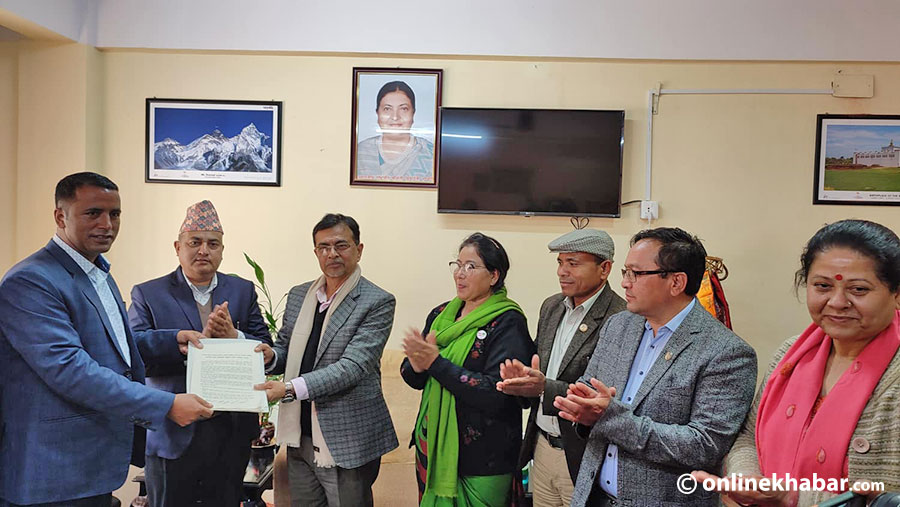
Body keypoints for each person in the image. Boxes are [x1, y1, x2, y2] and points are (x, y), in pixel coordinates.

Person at [0, 172, 213, 507]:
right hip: (53, 473)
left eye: (115, 214)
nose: (107, 224)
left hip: (89, 467)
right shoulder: (31, 281)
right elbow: (71, 369)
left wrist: (171, 342)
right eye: (93, 213)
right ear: (60, 216)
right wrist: (166, 405)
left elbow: (109, 346)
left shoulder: (96, 271)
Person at [695, 219, 900, 507]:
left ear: (896, 292)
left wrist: (791, 498)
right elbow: (749, 438)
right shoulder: (790, 354)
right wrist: (747, 480)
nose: (837, 302)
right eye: (822, 286)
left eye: (859, 290)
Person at [556, 227, 757, 507]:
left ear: (676, 282)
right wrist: (581, 407)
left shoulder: (726, 353)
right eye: (625, 272)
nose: (625, 283)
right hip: (593, 496)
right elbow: (590, 389)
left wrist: (610, 417)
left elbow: (704, 445)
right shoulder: (619, 326)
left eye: (636, 274)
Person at [127, 200, 273, 506]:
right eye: (195, 242)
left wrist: (235, 337)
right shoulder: (148, 293)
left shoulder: (241, 290)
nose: (203, 250)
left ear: (222, 250)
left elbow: (264, 346)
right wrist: (178, 341)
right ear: (178, 247)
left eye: (212, 243)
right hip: (172, 430)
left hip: (230, 432)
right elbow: (133, 349)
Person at [255, 213, 398, 507]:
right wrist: (271, 357)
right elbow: (285, 349)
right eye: (323, 247)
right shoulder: (299, 296)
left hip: (347, 437)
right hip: (298, 434)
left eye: (341, 245)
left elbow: (352, 367)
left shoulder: (377, 301)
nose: (332, 253)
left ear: (359, 249)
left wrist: (289, 389)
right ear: (316, 252)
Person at [400, 232, 536, 506]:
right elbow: (415, 378)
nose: (460, 274)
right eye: (457, 265)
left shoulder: (507, 322)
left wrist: (435, 363)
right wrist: (416, 366)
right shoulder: (441, 315)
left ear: (494, 276)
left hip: (485, 456)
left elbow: (496, 393)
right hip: (434, 448)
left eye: (471, 267)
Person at [496, 228, 626, 507]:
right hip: (542, 447)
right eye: (560, 262)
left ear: (604, 269)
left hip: (583, 455)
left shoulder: (621, 318)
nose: (562, 272)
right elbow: (539, 371)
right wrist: (522, 380)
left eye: (573, 263)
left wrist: (544, 386)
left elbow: (604, 393)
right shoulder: (552, 306)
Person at [356, 80, 435, 183]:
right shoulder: (360, 152)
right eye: (387, 109)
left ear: (413, 113)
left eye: (404, 109)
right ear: (377, 113)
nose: (395, 117)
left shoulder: (432, 155)